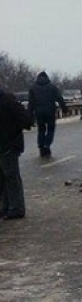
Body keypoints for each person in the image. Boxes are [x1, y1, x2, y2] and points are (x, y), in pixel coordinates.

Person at [0, 86, 33, 219]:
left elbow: (26, 119)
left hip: (9, 145)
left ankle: (16, 208)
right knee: (4, 177)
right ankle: (7, 206)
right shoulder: (9, 100)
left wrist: (13, 133)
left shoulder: (8, 101)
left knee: (10, 175)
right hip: (6, 143)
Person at [28, 71, 69, 157]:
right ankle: (47, 144)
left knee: (41, 130)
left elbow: (30, 103)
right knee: (51, 129)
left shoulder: (33, 88)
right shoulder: (52, 87)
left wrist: (30, 115)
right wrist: (64, 109)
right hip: (50, 111)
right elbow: (59, 98)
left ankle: (41, 147)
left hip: (39, 112)